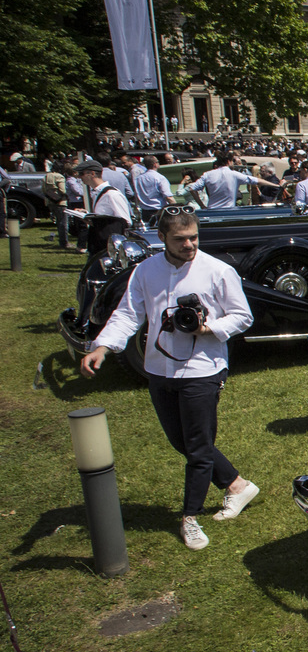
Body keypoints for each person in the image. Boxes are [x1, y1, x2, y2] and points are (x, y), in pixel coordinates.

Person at [80, 207, 258, 551]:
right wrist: (103, 346)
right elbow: (128, 314)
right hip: (159, 369)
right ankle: (237, 485)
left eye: (194, 237)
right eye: (180, 239)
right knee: (183, 442)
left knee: (198, 449)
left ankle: (189, 518)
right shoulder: (145, 271)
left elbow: (242, 316)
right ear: (162, 238)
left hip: (203, 370)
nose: (190, 244)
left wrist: (209, 328)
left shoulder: (218, 270)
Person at [79, 159, 135, 256]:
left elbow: (125, 221)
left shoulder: (112, 194)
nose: (80, 177)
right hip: (99, 243)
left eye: (82, 174)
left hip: (108, 245)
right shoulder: (97, 193)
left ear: (92, 174)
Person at [185, 154, 281, 209]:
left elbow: (192, 188)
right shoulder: (234, 174)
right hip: (229, 211)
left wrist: (201, 205)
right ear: (228, 162)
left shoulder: (207, 174)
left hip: (212, 210)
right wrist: (276, 185)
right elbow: (256, 180)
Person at [131, 156, 175, 224]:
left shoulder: (139, 178)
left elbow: (137, 195)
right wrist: (176, 207)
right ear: (155, 164)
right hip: (159, 211)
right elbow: (168, 197)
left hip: (145, 211)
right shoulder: (160, 178)